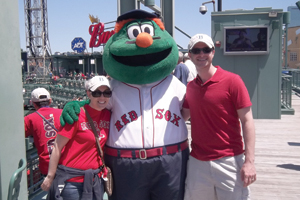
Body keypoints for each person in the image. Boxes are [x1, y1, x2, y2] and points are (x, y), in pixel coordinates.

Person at [61, 10, 189, 200]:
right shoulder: (112, 87)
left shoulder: (174, 85)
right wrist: (77, 105)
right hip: (125, 164)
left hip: (171, 162)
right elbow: (93, 106)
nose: (142, 40)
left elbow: (188, 111)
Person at [182, 33, 256, 200]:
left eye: (206, 50)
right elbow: (181, 117)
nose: (201, 54)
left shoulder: (232, 81)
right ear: (190, 55)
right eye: (196, 50)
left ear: (213, 52)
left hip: (229, 160)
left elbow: (247, 121)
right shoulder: (190, 88)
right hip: (197, 162)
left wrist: (249, 162)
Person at [41, 76, 112, 200]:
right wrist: (50, 176)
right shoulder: (76, 114)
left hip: (96, 180)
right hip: (72, 182)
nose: (102, 97)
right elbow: (57, 147)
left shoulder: (108, 114)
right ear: (88, 94)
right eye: (97, 93)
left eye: (106, 93)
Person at [24, 87, 62, 175]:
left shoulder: (29, 119)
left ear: (33, 103)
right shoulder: (62, 113)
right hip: (67, 165)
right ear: (50, 101)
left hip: (47, 168)